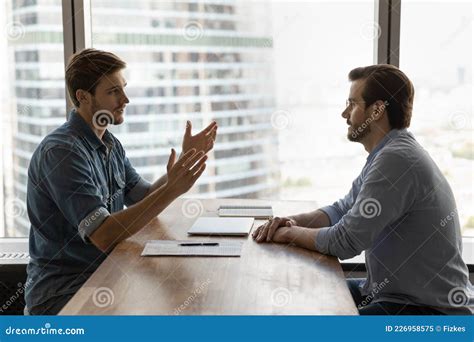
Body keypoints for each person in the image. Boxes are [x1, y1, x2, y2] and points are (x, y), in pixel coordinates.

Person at [253, 64, 473, 315]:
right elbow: (340, 210)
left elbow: (345, 242)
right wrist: (289, 221)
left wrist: (286, 234)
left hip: (430, 313)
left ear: (377, 110)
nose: (344, 113)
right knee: (308, 293)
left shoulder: (397, 160)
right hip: (390, 294)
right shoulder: (388, 153)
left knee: (311, 323)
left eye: (353, 104)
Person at [25, 48, 218, 315]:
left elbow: (144, 196)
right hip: (65, 297)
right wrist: (172, 190)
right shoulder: (62, 152)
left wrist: (188, 157)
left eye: (123, 89)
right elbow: (103, 235)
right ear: (83, 97)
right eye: (113, 92)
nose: (125, 99)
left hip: (105, 278)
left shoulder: (110, 145)